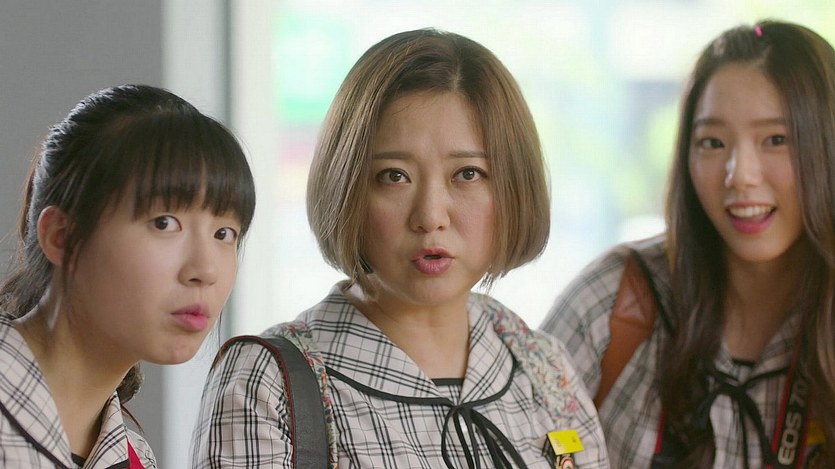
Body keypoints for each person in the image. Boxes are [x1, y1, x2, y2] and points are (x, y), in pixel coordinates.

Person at [191, 28, 608, 468]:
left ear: (513, 189)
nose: (430, 215)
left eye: (468, 174)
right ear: (346, 188)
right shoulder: (268, 383)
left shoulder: (544, 368)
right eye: (394, 176)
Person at [542, 20, 834, 468]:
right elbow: (522, 442)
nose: (740, 175)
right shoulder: (615, 301)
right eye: (712, 142)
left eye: (776, 140)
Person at [0, 84, 256, 468]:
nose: (205, 271)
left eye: (224, 234)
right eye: (165, 223)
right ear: (61, 237)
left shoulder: (136, 458)